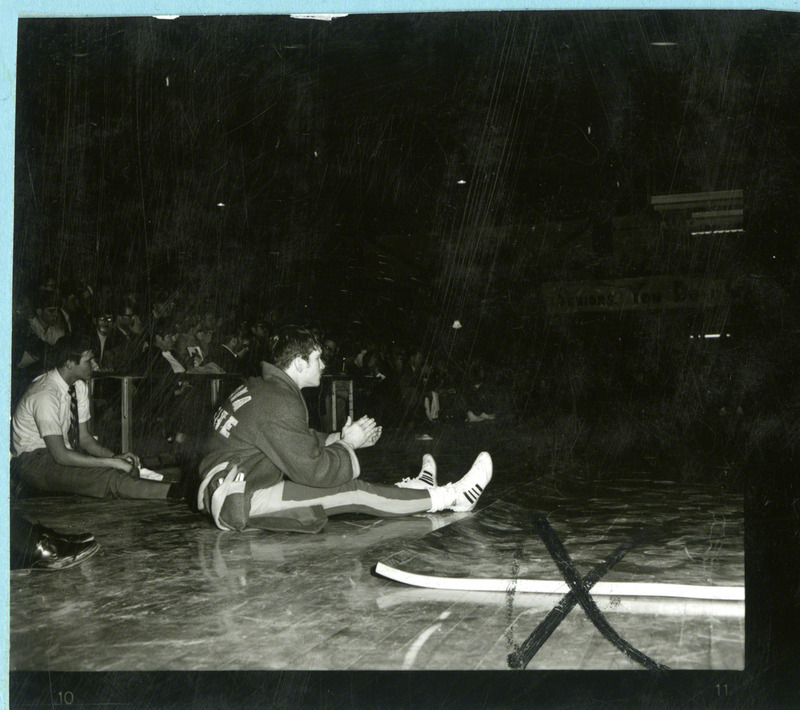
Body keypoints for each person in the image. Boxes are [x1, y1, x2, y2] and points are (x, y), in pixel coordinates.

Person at [197, 325, 493, 533]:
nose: (323, 364)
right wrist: (347, 444)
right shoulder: (279, 401)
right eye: (317, 358)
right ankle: (453, 496)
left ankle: (417, 490)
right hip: (240, 500)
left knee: (353, 489)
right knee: (353, 492)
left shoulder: (263, 388)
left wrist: (340, 437)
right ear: (299, 364)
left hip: (233, 485)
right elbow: (313, 471)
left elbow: (295, 440)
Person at [11, 334, 182, 500]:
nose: (94, 365)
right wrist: (111, 463)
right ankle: (178, 493)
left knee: (122, 468)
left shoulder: (79, 386)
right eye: (88, 361)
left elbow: (85, 439)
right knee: (106, 477)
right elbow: (60, 455)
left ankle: (170, 489)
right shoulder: (45, 394)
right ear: (70, 363)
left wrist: (115, 457)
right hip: (33, 461)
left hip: (60, 453)